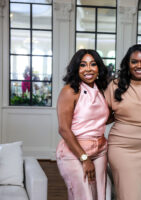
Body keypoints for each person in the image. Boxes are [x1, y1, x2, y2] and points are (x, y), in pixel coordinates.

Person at [104, 44, 141, 200]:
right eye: (134, 61)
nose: (139, 66)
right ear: (127, 64)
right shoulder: (115, 86)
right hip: (121, 148)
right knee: (127, 193)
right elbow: (103, 115)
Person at [56, 49, 109, 200]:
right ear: (76, 69)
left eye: (93, 64)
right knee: (84, 196)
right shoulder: (70, 91)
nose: (88, 69)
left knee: (100, 196)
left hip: (100, 150)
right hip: (75, 151)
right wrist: (84, 158)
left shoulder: (101, 90)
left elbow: (101, 117)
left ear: (99, 67)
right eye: (83, 65)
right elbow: (64, 129)